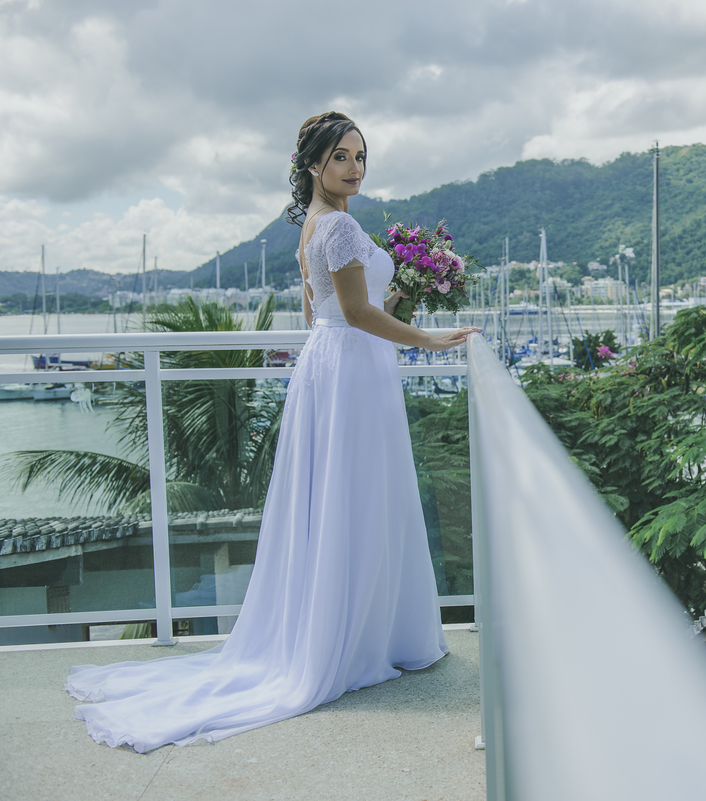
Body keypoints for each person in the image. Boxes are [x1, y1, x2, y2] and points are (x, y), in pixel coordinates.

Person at [65, 112, 479, 753]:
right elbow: (355, 313)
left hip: (331, 366)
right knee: (360, 496)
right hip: (352, 371)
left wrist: (411, 291)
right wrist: (428, 338)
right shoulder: (338, 225)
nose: (355, 168)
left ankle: (349, 630)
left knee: (344, 497)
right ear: (313, 164)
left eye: (361, 156)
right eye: (341, 157)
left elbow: (326, 313)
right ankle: (361, 637)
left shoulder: (316, 224)